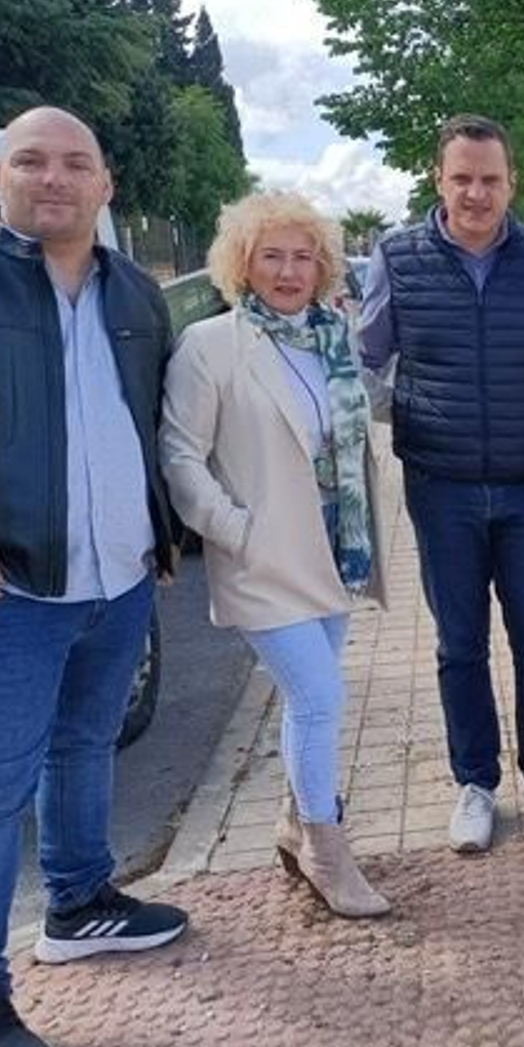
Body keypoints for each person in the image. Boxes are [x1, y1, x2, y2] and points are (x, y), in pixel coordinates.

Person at [0, 107, 188, 1047]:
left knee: (86, 748)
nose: (53, 178)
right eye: (31, 161)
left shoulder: (135, 292)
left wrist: (164, 535)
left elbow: (150, 424)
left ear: (105, 187)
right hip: (1, 592)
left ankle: (81, 903)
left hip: (119, 584)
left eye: (76, 164)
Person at [161, 192, 391, 918]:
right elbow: (180, 453)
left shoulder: (332, 336)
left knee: (306, 700)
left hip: (332, 548)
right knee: (320, 698)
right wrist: (234, 530)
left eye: (303, 256)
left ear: (322, 266)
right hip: (263, 557)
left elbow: (348, 440)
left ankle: (295, 827)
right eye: (272, 256)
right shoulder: (213, 345)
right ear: (242, 263)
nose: (289, 271)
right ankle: (327, 850)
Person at [361, 114, 524, 853]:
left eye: (490, 179)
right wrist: (415, 416)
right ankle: (475, 783)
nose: (476, 193)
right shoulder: (397, 257)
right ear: (439, 180)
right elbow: (363, 361)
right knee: (460, 644)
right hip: (440, 488)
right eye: (463, 178)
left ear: (511, 181)